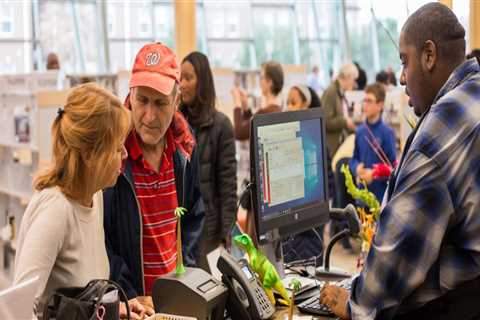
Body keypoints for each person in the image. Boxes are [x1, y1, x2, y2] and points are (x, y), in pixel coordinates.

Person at [320, 3, 480, 319]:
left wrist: (356, 305)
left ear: (429, 55)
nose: (403, 77)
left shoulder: (440, 130)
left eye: (405, 61)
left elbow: (398, 256)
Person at [13, 83, 150, 319]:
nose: (125, 155)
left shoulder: (94, 196)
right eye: (117, 148)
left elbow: (79, 297)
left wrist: (109, 309)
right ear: (89, 154)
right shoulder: (56, 211)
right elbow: (17, 311)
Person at [103, 43, 205, 307]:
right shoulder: (112, 154)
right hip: (131, 305)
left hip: (174, 301)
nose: (149, 115)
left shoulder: (185, 149)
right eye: (142, 101)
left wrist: (184, 272)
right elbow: (101, 239)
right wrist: (129, 295)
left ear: (176, 101)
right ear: (130, 95)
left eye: (160, 103)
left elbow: (194, 213)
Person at [179, 51, 237, 269]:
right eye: (180, 78)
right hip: (180, 226)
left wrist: (226, 233)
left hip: (208, 230)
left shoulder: (221, 125)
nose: (182, 84)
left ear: (202, 81)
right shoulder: (175, 124)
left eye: (188, 78)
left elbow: (228, 185)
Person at [349, 83, 396, 202]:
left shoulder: (387, 133)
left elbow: (393, 169)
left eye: (369, 101)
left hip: (379, 198)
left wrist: (374, 174)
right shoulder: (360, 131)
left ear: (380, 105)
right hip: (362, 196)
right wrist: (356, 168)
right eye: (364, 100)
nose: (365, 104)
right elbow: (354, 159)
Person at [321, 62, 357, 156]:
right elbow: (325, 121)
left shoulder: (340, 92)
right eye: (353, 79)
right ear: (347, 77)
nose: (354, 83)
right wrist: (345, 122)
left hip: (338, 145)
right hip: (331, 148)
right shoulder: (331, 92)